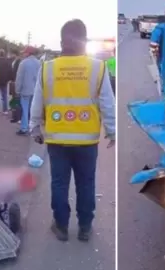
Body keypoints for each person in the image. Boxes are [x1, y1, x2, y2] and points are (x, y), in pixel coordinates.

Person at [30, 19, 116, 242]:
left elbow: (37, 102)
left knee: (59, 183)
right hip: (87, 141)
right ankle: (85, 227)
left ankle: (61, 226)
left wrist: (34, 127)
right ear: (84, 42)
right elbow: (107, 102)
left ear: (61, 42)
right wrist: (113, 131)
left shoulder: (48, 68)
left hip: (57, 140)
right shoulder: (97, 67)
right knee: (86, 183)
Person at [15, 46, 39, 135]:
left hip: (25, 90)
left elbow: (19, 78)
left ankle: (24, 128)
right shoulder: (39, 63)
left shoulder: (23, 63)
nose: (23, 54)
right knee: (33, 110)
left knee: (25, 109)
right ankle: (33, 127)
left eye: (24, 52)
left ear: (28, 53)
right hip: (35, 90)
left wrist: (17, 90)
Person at [0, 49, 13, 114]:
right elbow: (10, 71)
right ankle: (5, 110)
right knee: (4, 97)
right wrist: (9, 79)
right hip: (4, 81)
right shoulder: (7, 62)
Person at [9, 49, 22, 123]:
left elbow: (16, 72)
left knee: (16, 100)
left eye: (11, 54)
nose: (10, 56)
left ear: (15, 54)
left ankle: (17, 117)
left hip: (16, 82)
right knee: (14, 100)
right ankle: (15, 116)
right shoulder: (15, 61)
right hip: (13, 82)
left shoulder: (18, 62)